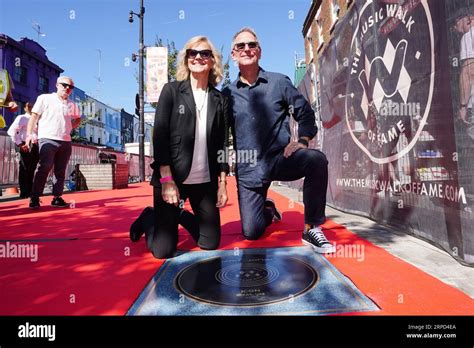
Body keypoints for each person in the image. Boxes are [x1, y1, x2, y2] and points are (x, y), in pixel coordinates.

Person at [222, 27, 334, 253]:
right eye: (240, 46)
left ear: (259, 52)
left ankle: (312, 227)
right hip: (249, 169)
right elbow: (220, 136)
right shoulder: (226, 94)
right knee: (252, 232)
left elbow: (305, 113)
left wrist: (302, 140)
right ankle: (267, 209)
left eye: (251, 45)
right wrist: (222, 176)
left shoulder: (279, 83)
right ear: (233, 55)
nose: (247, 49)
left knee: (316, 160)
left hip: (281, 159)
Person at [131, 36, 229, 259]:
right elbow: (160, 135)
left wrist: (222, 184)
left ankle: (180, 215)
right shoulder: (172, 91)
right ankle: (149, 217)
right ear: (186, 60)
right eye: (192, 53)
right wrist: (166, 181)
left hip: (204, 181)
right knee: (163, 251)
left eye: (204, 53)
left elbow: (222, 142)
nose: (197, 57)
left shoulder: (219, 99)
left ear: (212, 61)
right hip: (172, 178)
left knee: (210, 242)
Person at [25, 76, 81, 209]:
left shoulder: (72, 104)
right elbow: (34, 116)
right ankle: (35, 197)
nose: (67, 88)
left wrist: (69, 128)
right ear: (57, 85)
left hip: (65, 141)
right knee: (44, 167)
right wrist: (29, 134)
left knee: (60, 171)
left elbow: (78, 119)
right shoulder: (45, 98)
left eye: (70, 87)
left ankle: (57, 197)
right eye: (64, 85)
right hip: (47, 138)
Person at [7, 102, 39, 198]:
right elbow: (11, 131)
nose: (31, 108)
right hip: (25, 144)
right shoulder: (21, 117)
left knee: (32, 168)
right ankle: (24, 192)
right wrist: (20, 144)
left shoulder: (37, 119)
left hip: (35, 145)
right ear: (25, 108)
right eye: (28, 106)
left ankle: (30, 191)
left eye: (33, 106)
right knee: (24, 168)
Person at [454, 11, 474, 125]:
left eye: (457, 24)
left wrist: (462, 107)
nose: (456, 29)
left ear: (469, 19)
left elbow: (468, 72)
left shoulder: (469, 36)